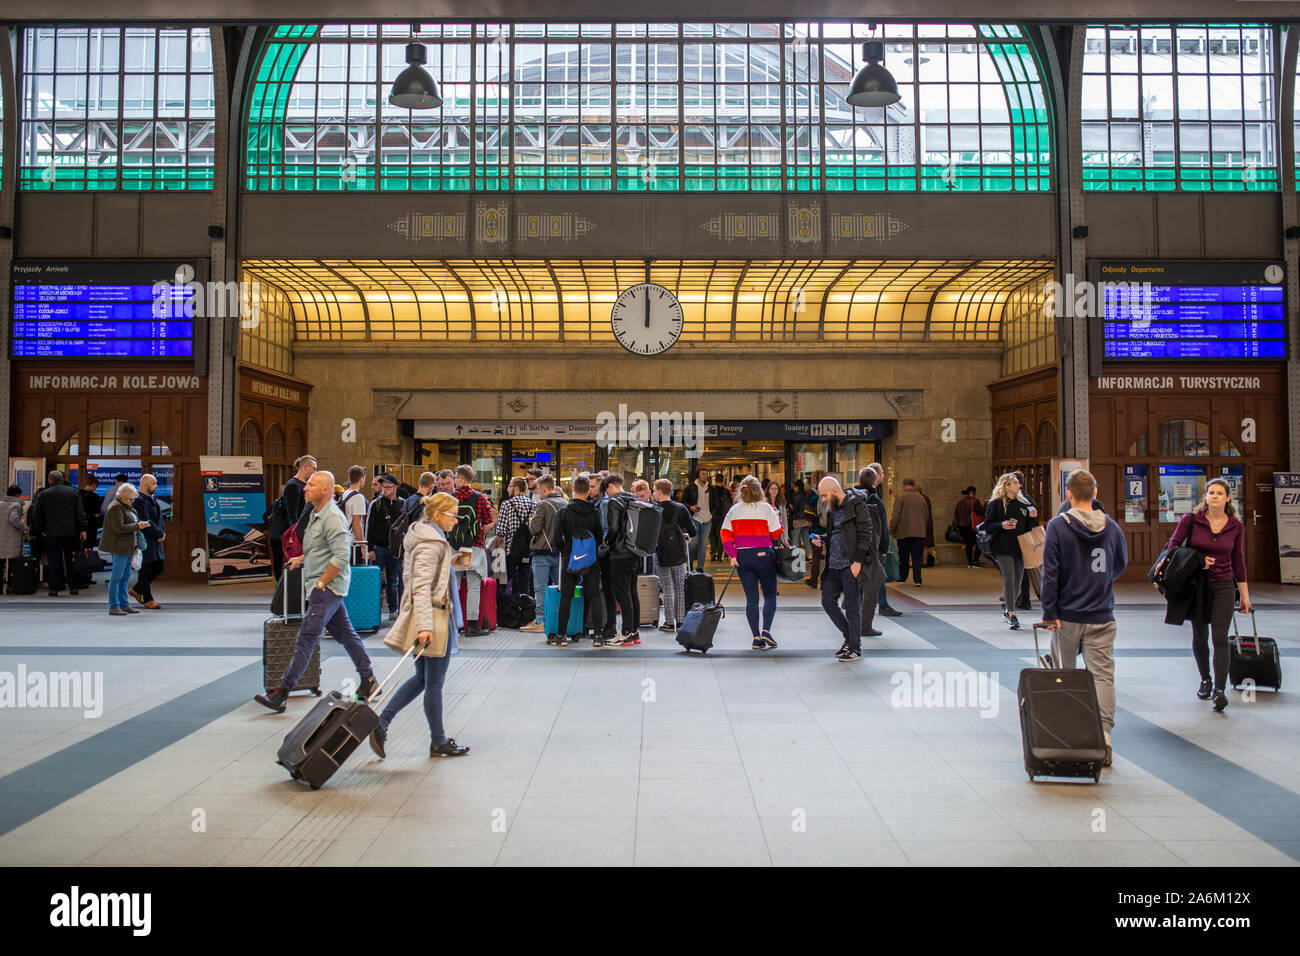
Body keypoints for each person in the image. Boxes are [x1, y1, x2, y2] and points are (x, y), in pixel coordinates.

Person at [255, 470, 378, 712]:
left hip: (327, 588)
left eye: (311, 484)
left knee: (306, 637)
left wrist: (322, 582)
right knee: (347, 635)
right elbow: (320, 547)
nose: (305, 488)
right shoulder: (315, 513)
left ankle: (282, 692)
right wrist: (301, 559)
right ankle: (369, 680)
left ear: (325, 490)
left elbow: (342, 555)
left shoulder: (332, 516)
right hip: (323, 586)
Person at [369, 491, 473, 760]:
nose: (455, 520)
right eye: (452, 515)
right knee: (434, 682)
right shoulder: (431, 541)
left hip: (428, 615)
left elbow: (425, 576)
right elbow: (421, 586)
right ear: (437, 515)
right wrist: (425, 627)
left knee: (423, 679)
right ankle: (437, 741)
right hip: (433, 618)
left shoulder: (424, 535)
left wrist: (450, 564)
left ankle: (381, 724)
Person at [1040, 468, 1127, 767]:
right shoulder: (1111, 527)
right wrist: (1099, 583)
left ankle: (1068, 733)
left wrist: (1050, 611)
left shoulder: (1057, 526)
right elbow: (1119, 564)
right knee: (1103, 677)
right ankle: (1104, 736)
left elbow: (1050, 573)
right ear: (1095, 493)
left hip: (1066, 615)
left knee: (1065, 673)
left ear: (1068, 494)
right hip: (1102, 612)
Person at [1166, 478, 1251, 713]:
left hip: (1224, 585)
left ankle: (1219, 691)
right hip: (1197, 584)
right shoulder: (1191, 521)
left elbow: (1238, 559)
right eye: (1210, 492)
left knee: (1220, 637)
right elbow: (1172, 548)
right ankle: (1205, 679)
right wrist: (1198, 560)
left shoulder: (1236, 526)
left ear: (1227, 498)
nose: (1213, 496)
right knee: (1200, 634)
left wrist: (1244, 594)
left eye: (1219, 493)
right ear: (1205, 497)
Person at [813, 476, 880, 662]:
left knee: (852, 607)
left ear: (835, 490)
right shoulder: (832, 510)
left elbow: (865, 534)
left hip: (850, 565)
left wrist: (857, 562)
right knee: (827, 601)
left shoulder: (857, 505)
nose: (824, 500)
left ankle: (855, 648)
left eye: (825, 495)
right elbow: (837, 533)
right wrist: (823, 539)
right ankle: (850, 639)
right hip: (833, 566)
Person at [720, 475, 783, 651]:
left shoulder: (734, 510)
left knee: (751, 599)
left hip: (742, 557)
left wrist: (732, 554)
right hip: (764, 555)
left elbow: (725, 533)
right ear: (759, 490)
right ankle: (766, 631)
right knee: (770, 595)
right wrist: (777, 518)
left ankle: (756, 638)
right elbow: (776, 533)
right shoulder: (766, 508)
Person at [553, 475, 608, 646]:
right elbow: (599, 537)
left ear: (573, 490)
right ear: (588, 491)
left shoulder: (564, 512)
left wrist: (565, 550)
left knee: (566, 597)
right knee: (594, 597)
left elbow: (556, 539)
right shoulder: (594, 512)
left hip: (570, 558)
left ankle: (561, 635)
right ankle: (598, 636)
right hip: (591, 559)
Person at [984, 473, 1037, 630]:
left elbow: (1029, 528)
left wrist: (1033, 517)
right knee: (1009, 579)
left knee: (1017, 583)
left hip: (1020, 547)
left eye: (1018, 483)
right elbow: (987, 525)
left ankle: (1008, 610)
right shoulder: (996, 504)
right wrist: (1001, 525)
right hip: (1003, 547)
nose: (1018, 485)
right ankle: (1012, 613)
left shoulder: (1022, 504)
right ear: (1006, 485)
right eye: (1014, 483)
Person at [452, 464, 496, 635]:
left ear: (462, 479)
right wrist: (479, 535)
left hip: (454, 547)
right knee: (473, 586)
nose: (455, 480)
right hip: (474, 547)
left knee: (453, 585)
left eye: (456, 477)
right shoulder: (480, 498)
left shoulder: (451, 497)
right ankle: (472, 624)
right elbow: (489, 521)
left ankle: (452, 623)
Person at [27, 470, 86, 597]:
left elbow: (37, 514)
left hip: (51, 532)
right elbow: (80, 513)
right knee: (71, 560)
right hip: (71, 531)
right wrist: (82, 528)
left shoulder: (44, 494)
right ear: (63, 479)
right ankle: (73, 586)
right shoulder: (73, 492)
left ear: (49, 480)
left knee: (54, 561)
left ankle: (54, 588)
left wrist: (41, 529)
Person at [601, 474, 642, 646]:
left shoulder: (614, 502)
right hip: (635, 552)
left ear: (610, 486)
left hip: (619, 553)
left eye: (606, 491)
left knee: (622, 594)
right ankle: (634, 632)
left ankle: (625, 633)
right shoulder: (634, 499)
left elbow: (613, 527)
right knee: (632, 592)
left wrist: (606, 540)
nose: (607, 495)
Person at [522, 474, 566, 633]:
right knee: (560, 586)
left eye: (539, 489)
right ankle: (559, 617)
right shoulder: (565, 503)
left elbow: (535, 529)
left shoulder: (542, 505)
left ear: (545, 488)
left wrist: (531, 521)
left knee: (540, 588)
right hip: (559, 552)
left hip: (542, 552)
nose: (538, 492)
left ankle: (540, 619)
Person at [101, 482, 150, 616]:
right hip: (119, 546)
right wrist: (137, 526)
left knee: (125, 577)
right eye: (131, 498)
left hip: (128, 546)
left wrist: (138, 525)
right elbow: (118, 528)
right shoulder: (116, 507)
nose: (132, 501)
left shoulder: (127, 507)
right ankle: (114, 605)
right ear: (123, 496)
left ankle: (124, 604)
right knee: (117, 577)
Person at [652, 478, 694, 633]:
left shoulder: (654, 509)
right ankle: (681, 621)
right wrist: (685, 535)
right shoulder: (681, 508)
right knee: (680, 587)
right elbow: (693, 530)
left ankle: (669, 623)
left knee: (667, 587)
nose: (653, 493)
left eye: (654, 490)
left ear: (660, 492)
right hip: (679, 553)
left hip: (661, 553)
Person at [271, 455, 316, 580]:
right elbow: (292, 514)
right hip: (291, 532)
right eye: (314, 469)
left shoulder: (302, 485)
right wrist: (298, 535)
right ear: (306, 468)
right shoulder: (293, 485)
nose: (315, 472)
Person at [865, 464, 902, 618]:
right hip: (874, 543)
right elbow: (882, 526)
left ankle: (882, 604)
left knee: (871, 575)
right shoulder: (875, 498)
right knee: (877, 575)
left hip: (867, 543)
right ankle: (883, 605)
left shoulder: (863, 494)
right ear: (877, 475)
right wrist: (884, 547)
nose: (884, 475)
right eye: (882, 472)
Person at [367, 473, 405, 619]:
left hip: (396, 549)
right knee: (375, 580)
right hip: (379, 547)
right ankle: (374, 610)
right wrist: (369, 548)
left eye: (388, 487)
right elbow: (369, 528)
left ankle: (393, 608)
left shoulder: (402, 504)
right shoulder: (376, 504)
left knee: (393, 580)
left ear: (395, 488)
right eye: (383, 487)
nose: (385, 490)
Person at [129, 473, 166, 609]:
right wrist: (158, 533)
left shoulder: (151, 498)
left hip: (155, 538)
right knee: (144, 570)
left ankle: (137, 590)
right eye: (154, 483)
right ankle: (147, 599)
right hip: (145, 538)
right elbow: (145, 519)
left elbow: (158, 518)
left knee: (159, 566)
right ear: (145, 485)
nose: (156, 486)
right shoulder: (139, 500)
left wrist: (161, 533)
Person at [495, 476, 537, 597]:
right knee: (524, 582)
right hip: (527, 550)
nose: (508, 489)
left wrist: (497, 548)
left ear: (516, 488)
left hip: (510, 550)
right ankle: (523, 608)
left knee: (504, 581)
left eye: (510, 486)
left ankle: (506, 608)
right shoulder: (533, 504)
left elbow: (501, 531)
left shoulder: (507, 504)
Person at [890, 478, 929, 586]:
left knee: (904, 556)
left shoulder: (901, 497)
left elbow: (895, 515)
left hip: (904, 532)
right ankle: (917, 580)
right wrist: (922, 528)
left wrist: (891, 529)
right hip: (919, 533)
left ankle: (903, 578)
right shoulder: (921, 498)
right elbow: (926, 516)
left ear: (904, 486)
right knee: (917, 557)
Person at [1013, 472, 1040, 610]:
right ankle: (1022, 598)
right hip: (1025, 537)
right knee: (1022, 570)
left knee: (1021, 570)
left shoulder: (1021, 498)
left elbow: (1031, 518)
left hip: (1022, 538)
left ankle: (1024, 599)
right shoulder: (1027, 498)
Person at [683, 467, 718, 572]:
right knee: (693, 543)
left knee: (703, 545)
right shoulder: (690, 488)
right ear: (698, 475)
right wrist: (691, 508)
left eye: (706, 474)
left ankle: (700, 568)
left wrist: (711, 515)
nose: (705, 476)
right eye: (703, 474)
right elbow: (683, 502)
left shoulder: (712, 488)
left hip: (707, 520)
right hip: (695, 519)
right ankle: (689, 565)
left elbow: (716, 504)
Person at [76, 473, 104, 588]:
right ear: (92, 485)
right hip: (90, 526)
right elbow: (97, 513)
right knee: (89, 551)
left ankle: (76, 576)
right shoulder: (94, 497)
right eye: (95, 486)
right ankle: (87, 576)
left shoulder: (76, 495)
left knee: (78, 551)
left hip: (77, 527)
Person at [2, 485, 29, 594]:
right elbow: (13, 519)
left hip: (1, 538)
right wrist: (24, 528)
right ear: (17, 495)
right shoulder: (15, 505)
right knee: (13, 565)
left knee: (1, 564)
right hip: (11, 539)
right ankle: (11, 586)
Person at [804, 470, 827, 589]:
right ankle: (826, 580)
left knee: (816, 557)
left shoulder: (811, 494)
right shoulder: (830, 492)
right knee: (831, 556)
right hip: (830, 530)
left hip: (816, 530)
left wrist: (810, 527)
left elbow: (808, 514)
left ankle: (814, 580)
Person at [341, 465, 369, 563]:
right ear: (361, 479)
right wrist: (363, 546)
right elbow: (357, 524)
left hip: (343, 540)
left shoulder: (345, 493)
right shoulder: (358, 497)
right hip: (353, 543)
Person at [954, 486, 986, 568]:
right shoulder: (975, 502)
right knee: (979, 543)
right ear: (972, 493)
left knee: (968, 544)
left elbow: (956, 515)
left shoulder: (960, 503)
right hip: (972, 526)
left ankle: (970, 562)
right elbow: (981, 511)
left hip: (962, 526)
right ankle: (975, 561)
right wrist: (986, 505)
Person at [789, 479, 810, 553]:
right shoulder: (806, 494)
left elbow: (795, 509)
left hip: (799, 520)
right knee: (806, 539)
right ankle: (810, 555)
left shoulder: (797, 496)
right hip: (806, 519)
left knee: (795, 539)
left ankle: (796, 556)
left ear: (797, 487)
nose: (794, 489)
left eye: (794, 487)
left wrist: (790, 506)